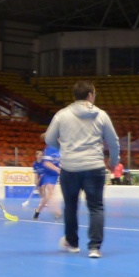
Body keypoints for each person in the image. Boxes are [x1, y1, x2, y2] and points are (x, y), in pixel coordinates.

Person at [45, 80, 120, 259]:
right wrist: (113, 161)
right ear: (90, 95)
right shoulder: (101, 115)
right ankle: (94, 247)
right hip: (94, 167)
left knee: (70, 206)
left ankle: (72, 243)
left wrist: (63, 149)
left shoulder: (62, 115)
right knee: (96, 207)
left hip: (70, 167)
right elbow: (114, 142)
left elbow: (49, 139)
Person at [34, 133, 61, 220]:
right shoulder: (48, 150)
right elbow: (46, 163)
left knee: (48, 196)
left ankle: (38, 210)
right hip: (48, 174)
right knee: (51, 192)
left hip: (55, 175)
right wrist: (57, 169)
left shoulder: (60, 149)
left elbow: (60, 161)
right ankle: (57, 212)